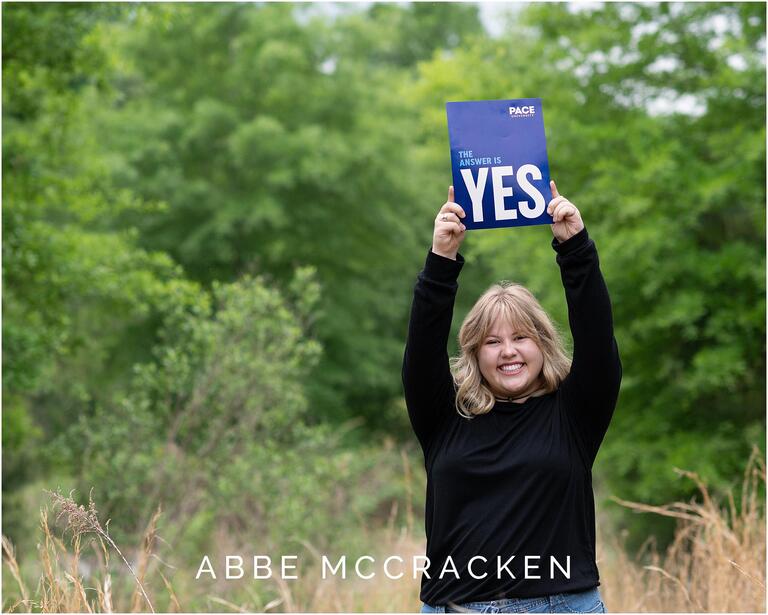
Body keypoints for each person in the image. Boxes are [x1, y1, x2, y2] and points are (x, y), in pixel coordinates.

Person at [402, 181, 622, 614]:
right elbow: (422, 349)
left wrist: (575, 247)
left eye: (521, 337)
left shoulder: (574, 416)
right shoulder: (444, 419)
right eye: (491, 341)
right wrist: (442, 258)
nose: (508, 352)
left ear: (542, 344)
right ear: (474, 352)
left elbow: (597, 340)